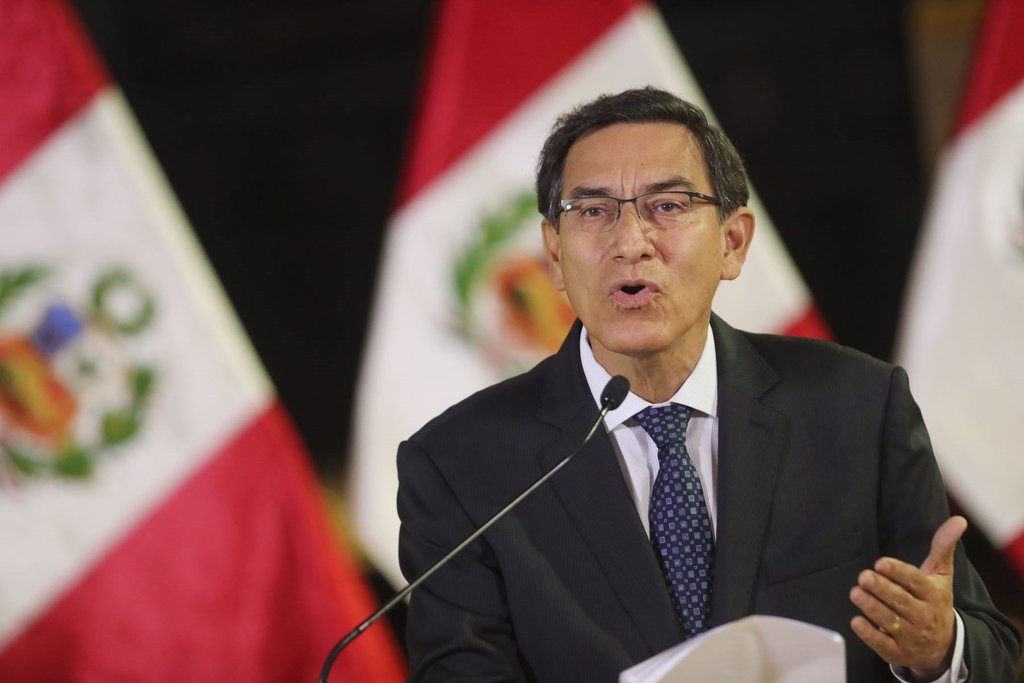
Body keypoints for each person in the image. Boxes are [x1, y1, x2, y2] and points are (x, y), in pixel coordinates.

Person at [396, 87, 1021, 682]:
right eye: (592, 211)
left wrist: (938, 651)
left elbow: (992, 656)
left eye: (667, 206)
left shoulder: (856, 408)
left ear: (733, 242)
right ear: (554, 255)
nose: (630, 243)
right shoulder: (459, 466)